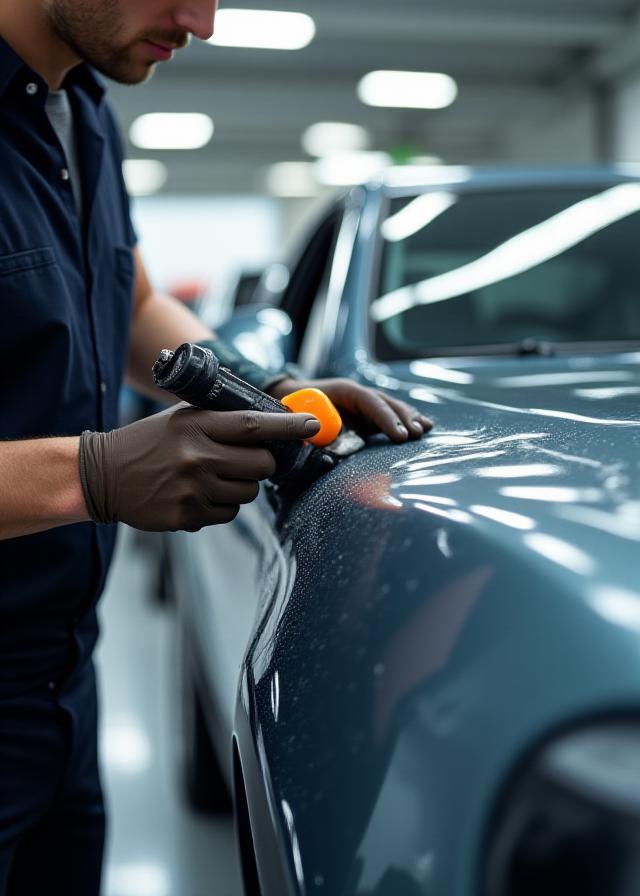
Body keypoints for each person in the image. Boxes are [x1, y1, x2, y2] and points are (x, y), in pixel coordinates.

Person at [0, 1, 432, 892]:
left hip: (56, 690)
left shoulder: (80, 113)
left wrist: (257, 384)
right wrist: (92, 476)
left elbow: (135, 297)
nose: (200, 20)